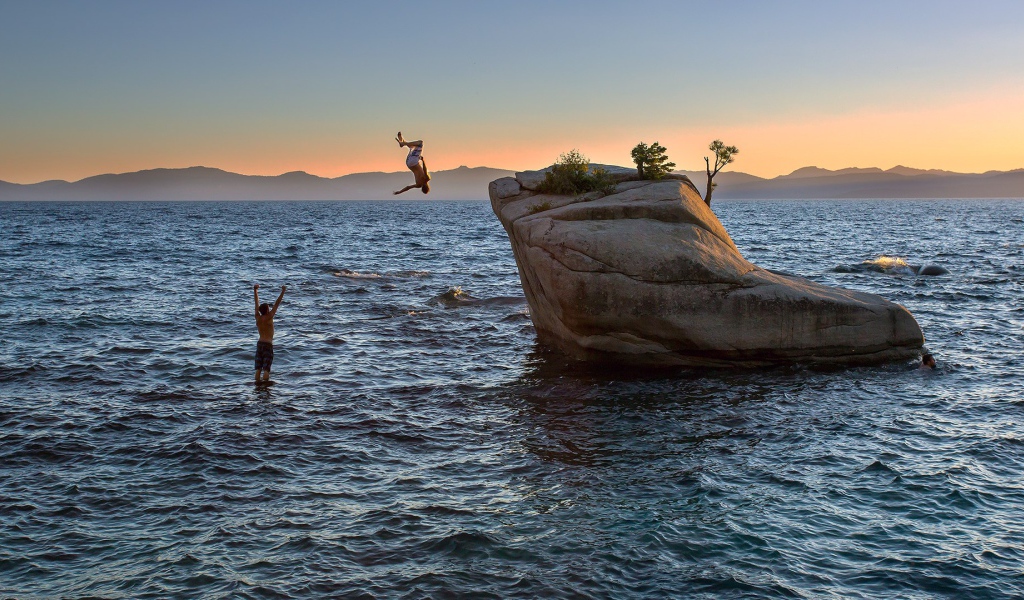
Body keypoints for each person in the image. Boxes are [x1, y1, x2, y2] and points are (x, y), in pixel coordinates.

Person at [254, 284, 286, 382]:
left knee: (258, 369)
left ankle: (257, 387)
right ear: (267, 310)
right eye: (269, 308)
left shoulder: (257, 317)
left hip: (259, 344)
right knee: (266, 369)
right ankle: (265, 387)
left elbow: (256, 303)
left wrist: (255, 290)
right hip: (268, 344)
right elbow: (277, 303)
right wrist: (283, 291)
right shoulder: (269, 317)